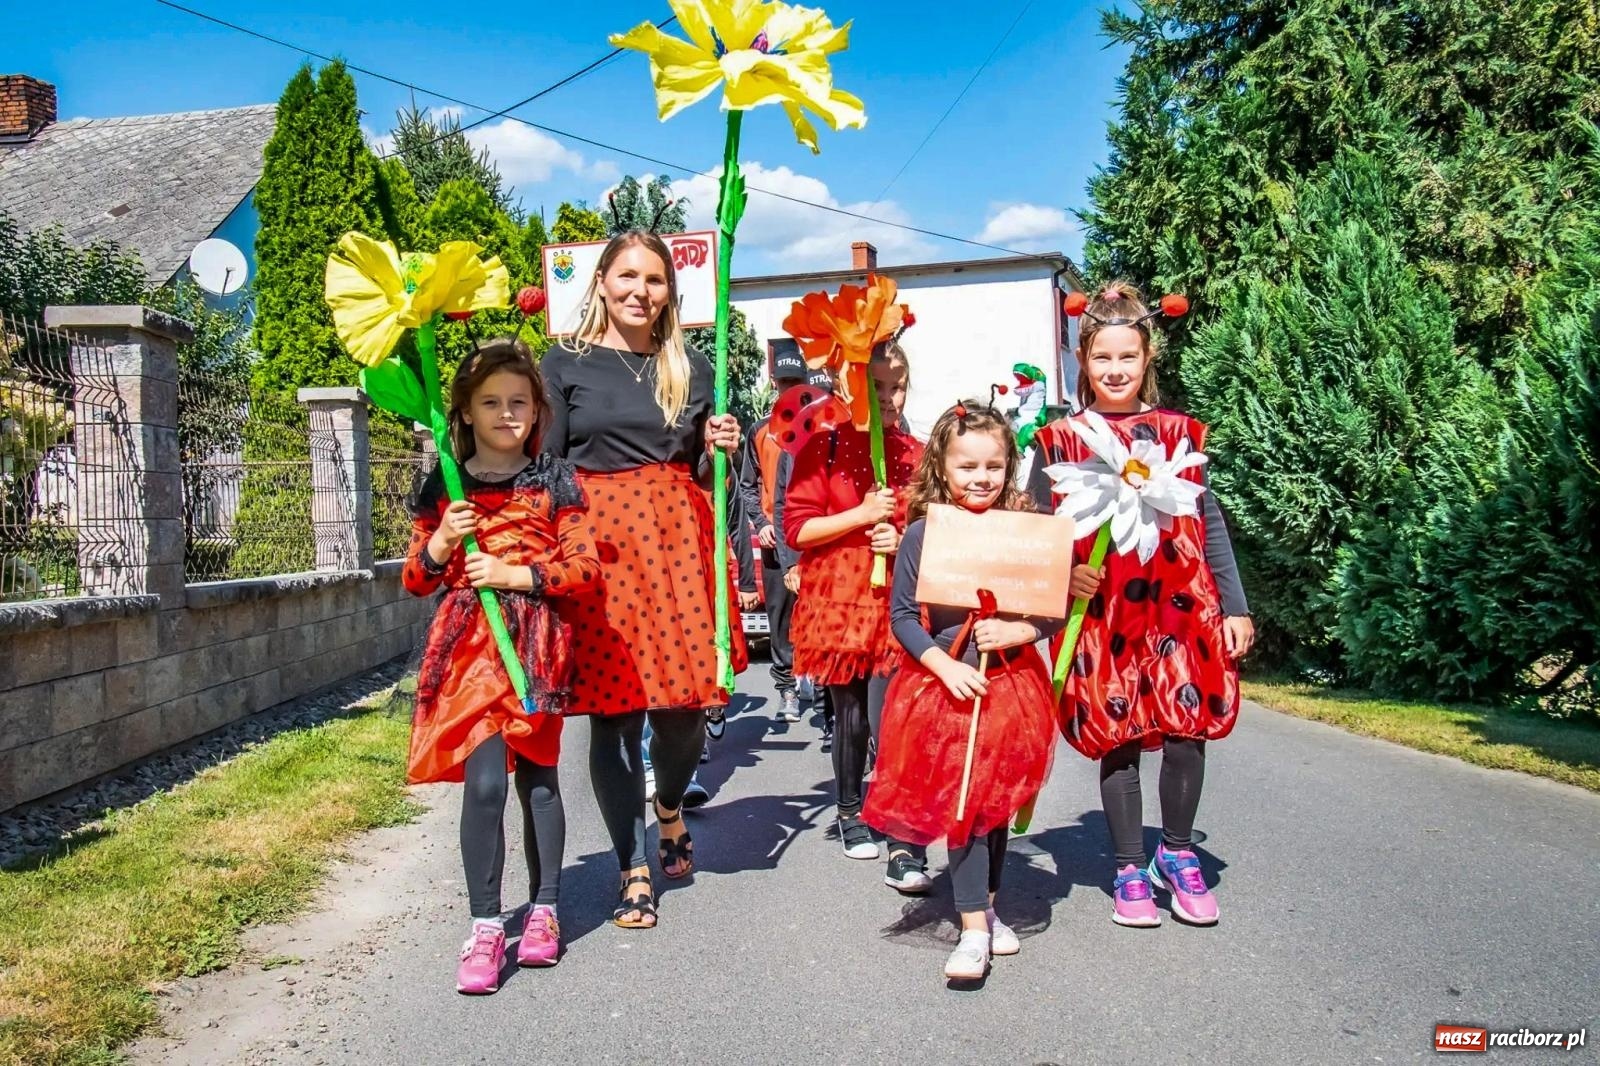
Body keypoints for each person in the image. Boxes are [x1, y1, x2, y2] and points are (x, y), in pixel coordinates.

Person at [1026, 281, 1255, 928]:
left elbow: (1209, 524)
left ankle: (1177, 853)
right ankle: (1129, 863)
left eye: (1127, 357)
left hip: (1183, 608)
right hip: (1105, 617)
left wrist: (1234, 606)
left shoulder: (1179, 434)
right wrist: (1063, 577)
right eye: (1102, 359)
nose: (1115, 370)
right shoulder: (1061, 440)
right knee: (1117, 736)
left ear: (1148, 357)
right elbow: (1037, 532)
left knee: (1188, 729)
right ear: (1082, 360)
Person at [541, 229, 746, 929]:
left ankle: (668, 805)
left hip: (676, 548)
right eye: (627, 277)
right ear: (601, 282)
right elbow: (549, 467)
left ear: (670, 290)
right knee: (615, 717)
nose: (640, 291)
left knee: (685, 713)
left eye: (654, 280)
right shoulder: (563, 362)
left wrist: (721, 451)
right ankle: (633, 866)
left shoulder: (694, 367)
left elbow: (706, 478)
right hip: (603, 553)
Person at [400, 338, 600, 993]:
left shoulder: (555, 480)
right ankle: (486, 925)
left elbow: (584, 570)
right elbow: (414, 580)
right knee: (484, 787)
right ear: (462, 411)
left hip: (536, 653)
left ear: (537, 409)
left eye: (518, 401)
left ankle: (543, 909)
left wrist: (516, 572)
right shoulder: (443, 487)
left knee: (539, 783)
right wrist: (441, 541)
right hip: (469, 657)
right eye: (491, 402)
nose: (506, 413)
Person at [864, 401, 1062, 980]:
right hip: (946, 688)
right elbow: (902, 616)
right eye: (968, 467)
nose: (981, 479)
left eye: (993, 467)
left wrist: (1022, 628)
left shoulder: (1025, 534)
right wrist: (942, 666)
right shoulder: (925, 533)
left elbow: (1050, 609)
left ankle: (990, 906)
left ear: (1008, 467)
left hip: (1011, 687)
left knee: (994, 808)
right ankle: (973, 928)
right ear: (943, 469)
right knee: (964, 807)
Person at [781, 343, 932, 893]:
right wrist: (860, 515)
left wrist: (902, 534)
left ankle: (895, 819)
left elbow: (928, 525)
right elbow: (797, 529)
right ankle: (849, 810)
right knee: (850, 712)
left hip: (895, 596)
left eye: (898, 387)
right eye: (879, 388)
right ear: (851, 388)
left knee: (894, 712)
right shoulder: (821, 446)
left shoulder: (915, 451)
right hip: (840, 596)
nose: (889, 399)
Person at [738, 348, 815, 723]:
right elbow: (747, 487)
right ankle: (786, 687)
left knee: (818, 614)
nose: (788, 389)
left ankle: (820, 687)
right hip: (775, 542)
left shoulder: (821, 427)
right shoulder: (759, 432)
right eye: (783, 383)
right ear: (774, 384)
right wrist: (762, 523)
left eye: (795, 383)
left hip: (815, 538)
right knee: (780, 619)